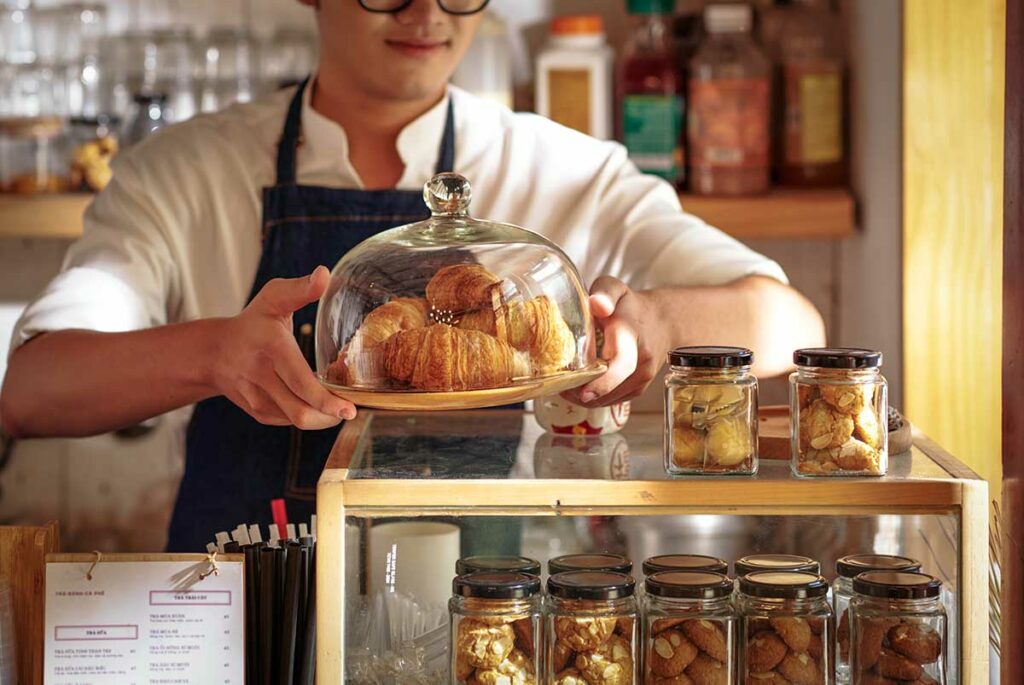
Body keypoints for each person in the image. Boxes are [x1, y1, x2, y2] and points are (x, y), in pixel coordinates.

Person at [0, 0, 825, 551]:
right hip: (251, 622)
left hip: (495, 620)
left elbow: (792, 325)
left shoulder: (565, 170)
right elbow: (32, 388)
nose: (427, 12)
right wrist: (216, 354)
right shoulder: (189, 170)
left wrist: (658, 325)